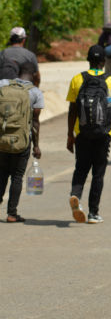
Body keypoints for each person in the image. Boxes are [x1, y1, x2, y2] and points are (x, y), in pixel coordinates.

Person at [66, 45, 111, 224]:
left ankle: (75, 195)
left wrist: (70, 135)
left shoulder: (77, 79)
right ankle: (93, 213)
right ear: (103, 61)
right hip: (103, 134)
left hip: (82, 133)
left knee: (81, 168)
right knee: (98, 174)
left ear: (88, 60)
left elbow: (73, 110)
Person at [0, 62, 43, 222]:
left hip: (2, 139)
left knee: (2, 173)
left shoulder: (2, 85)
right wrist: (36, 146)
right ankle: (12, 213)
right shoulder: (35, 92)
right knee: (17, 177)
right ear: (34, 75)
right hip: (22, 141)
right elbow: (36, 122)